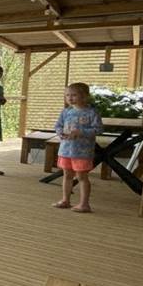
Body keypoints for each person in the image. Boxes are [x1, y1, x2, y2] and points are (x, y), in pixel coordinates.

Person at [52, 82, 103, 213]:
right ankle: (65, 200)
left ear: (85, 96)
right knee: (67, 175)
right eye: (67, 95)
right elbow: (58, 125)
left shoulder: (91, 112)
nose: (70, 98)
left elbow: (98, 129)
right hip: (66, 149)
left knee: (81, 177)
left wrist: (82, 132)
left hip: (82, 151)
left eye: (74, 95)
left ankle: (84, 204)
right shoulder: (66, 111)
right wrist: (60, 133)